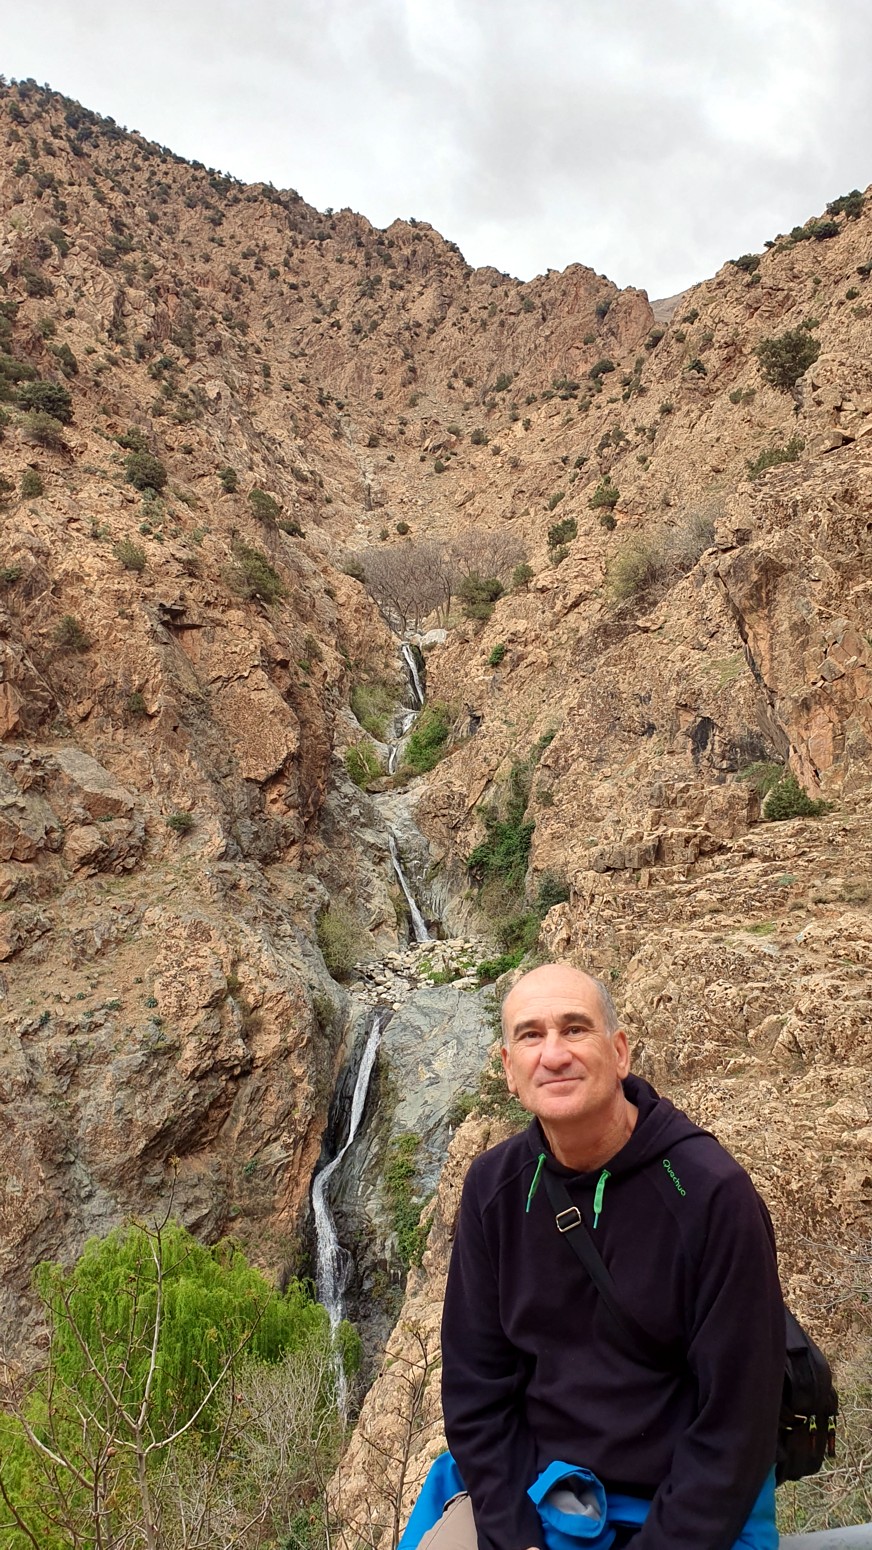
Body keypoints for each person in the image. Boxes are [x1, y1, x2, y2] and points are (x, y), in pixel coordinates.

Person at [416, 962, 785, 1550]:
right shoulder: (494, 1188)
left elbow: (737, 1421)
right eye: (531, 1035)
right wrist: (518, 1540)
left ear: (619, 1053)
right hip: (540, 1497)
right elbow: (476, 1392)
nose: (554, 1054)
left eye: (575, 1028)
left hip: (689, 1506)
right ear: (509, 1069)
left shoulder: (710, 1193)